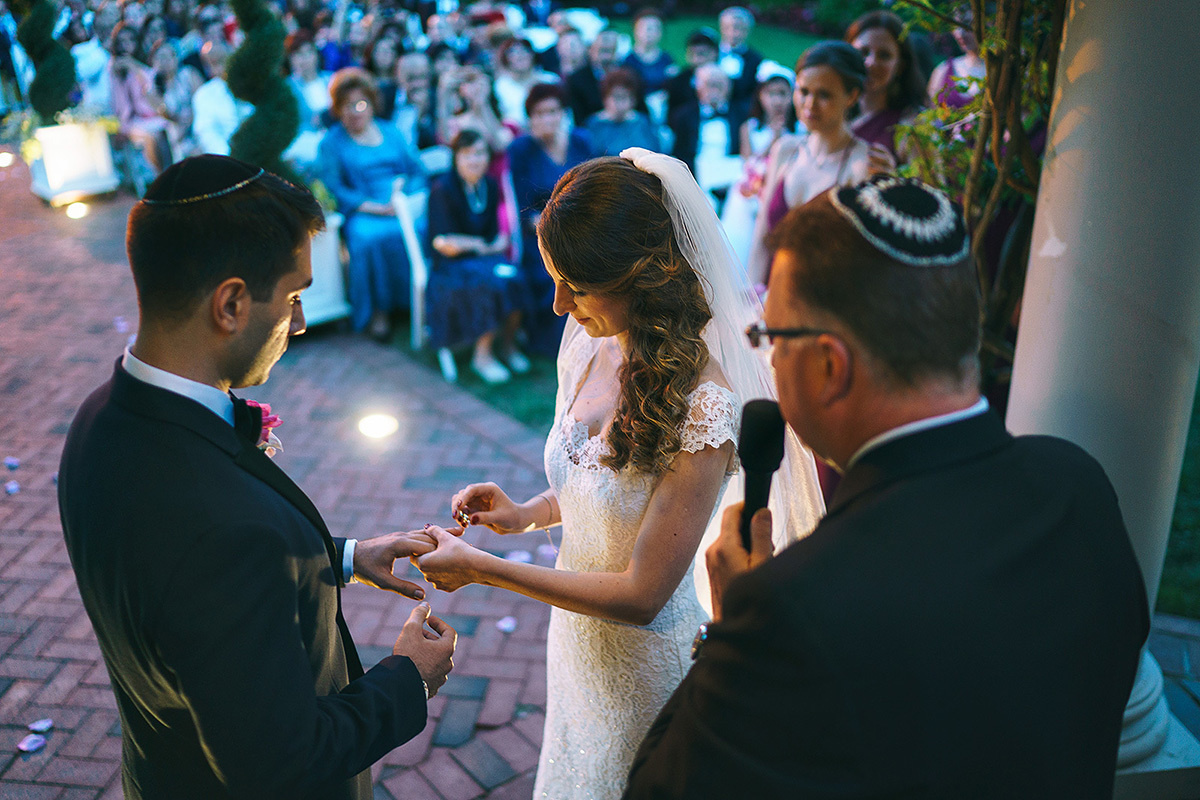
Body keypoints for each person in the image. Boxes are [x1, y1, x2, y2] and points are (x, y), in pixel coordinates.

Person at [623, 175, 1150, 799]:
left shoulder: (794, 606)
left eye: (770, 338)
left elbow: (658, 789)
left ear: (829, 365)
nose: (764, 360)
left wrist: (725, 631)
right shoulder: (1078, 487)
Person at [415, 150, 824, 800]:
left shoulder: (706, 405)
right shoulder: (587, 345)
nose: (555, 306)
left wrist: (482, 567)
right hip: (574, 641)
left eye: (575, 286)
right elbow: (600, 488)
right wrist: (525, 512)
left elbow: (641, 593)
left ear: (640, 276)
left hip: (643, 671)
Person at [58, 155, 457, 800]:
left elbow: (185, 595)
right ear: (232, 304)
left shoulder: (99, 421)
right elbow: (280, 764)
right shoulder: (219, 527)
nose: (299, 323)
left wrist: (345, 558)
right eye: (295, 296)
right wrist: (407, 678)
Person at [745, 42, 876, 289]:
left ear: (852, 96)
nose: (810, 104)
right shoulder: (786, 149)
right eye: (803, 91)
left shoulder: (860, 165)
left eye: (824, 94)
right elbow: (762, 236)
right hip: (770, 298)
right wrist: (752, 298)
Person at [318, 67, 425, 340]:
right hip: (363, 209)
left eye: (361, 103)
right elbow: (334, 187)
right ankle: (379, 311)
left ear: (372, 103)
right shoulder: (331, 143)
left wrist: (403, 194)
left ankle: (418, 300)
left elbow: (416, 169)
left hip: (401, 203)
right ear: (337, 109)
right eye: (346, 106)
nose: (355, 111)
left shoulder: (391, 132)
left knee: (425, 228)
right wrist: (372, 207)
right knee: (367, 240)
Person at [426, 130, 529, 384]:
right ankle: (482, 356)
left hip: (482, 259)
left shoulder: (489, 186)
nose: (475, 160)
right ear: (456, 158)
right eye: (468, 154)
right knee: (487, 284)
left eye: (480, 153)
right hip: (450, 267)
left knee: (517, 276)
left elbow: (496, 237)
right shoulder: (443, 189)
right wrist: (481, 246)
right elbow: (444, 243)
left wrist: (480, 245)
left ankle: (507, 345)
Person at [506, 81, 592, 355]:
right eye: (540, 113)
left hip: (586, 224)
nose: (548, 119)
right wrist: (556, 226)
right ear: (530, 118)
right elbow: (522, 210)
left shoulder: (580, 141)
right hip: (541, 233)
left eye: (553, 111)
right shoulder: (521, 150)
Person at [720, 64, 797, 268]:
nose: (777, 101)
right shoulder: (749, 128)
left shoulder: (799, 132)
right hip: (751, 191)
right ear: (761, 97)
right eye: (771, 94)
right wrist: (774, 139)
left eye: (783, 94)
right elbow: (749, 163)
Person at [845, 10, 926, 162]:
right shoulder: (836, 112)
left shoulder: (911, 127)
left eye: (884, 55)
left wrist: (893, 177)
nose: (871, 63)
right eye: (863, 52)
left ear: (900, 65)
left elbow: (931, 184)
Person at [586, 67, 661, 156]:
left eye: (624, 97)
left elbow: (653, 153)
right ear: (605, 98)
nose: (620, 104)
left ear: (633, 100)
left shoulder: (642, 123)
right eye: (616, 97)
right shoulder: (595, 124)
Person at [493, 36, 557, 127]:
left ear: (532, 54)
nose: (520, 55)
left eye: (524, 50)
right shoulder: (501, 86)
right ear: (507, 59)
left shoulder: (550, 80)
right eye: (513, 52)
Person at [716, 6, 763, 104]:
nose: (733, 33)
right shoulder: (712, 53)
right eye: (727, 27)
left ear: (747, 31)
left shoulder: (755, 59)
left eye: (739, 29)